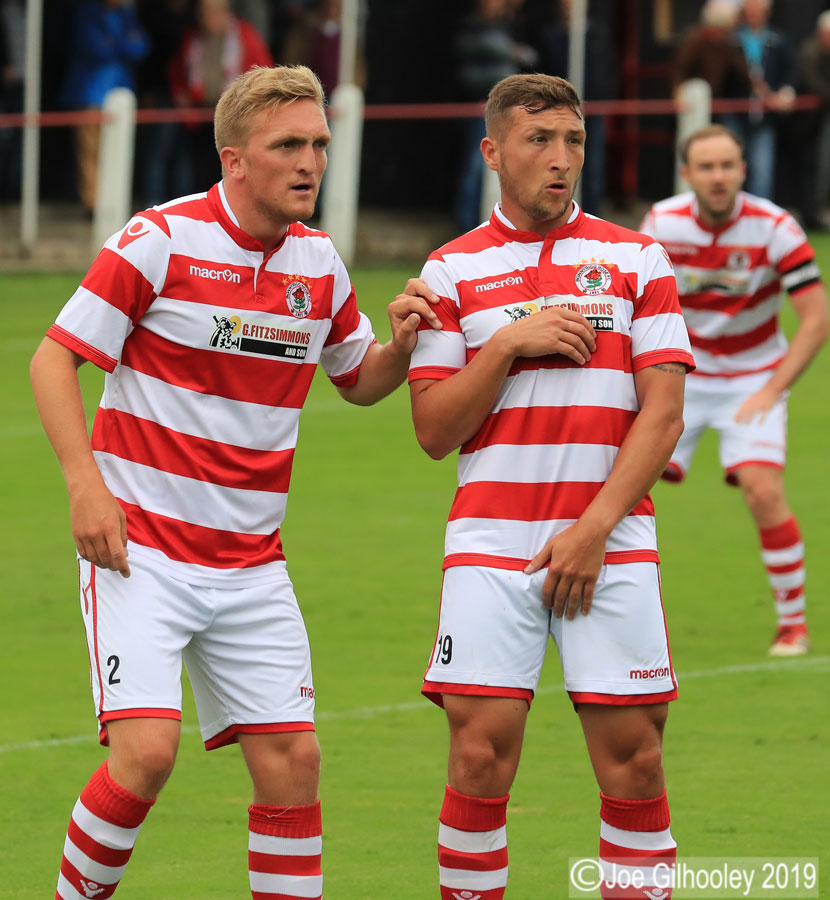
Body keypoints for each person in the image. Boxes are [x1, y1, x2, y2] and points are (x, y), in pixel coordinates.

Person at [30, 64, 441, 900]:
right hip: (138, 554)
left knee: (294, 763)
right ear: (234, 160)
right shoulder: (160, 241)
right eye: (287, 145)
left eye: (319, 145)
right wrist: (84, 483)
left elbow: (356, 376)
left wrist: (399, 346)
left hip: (252, 566)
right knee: (144, 755)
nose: (310, 163)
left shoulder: (320, 264)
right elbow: (54, 359)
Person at [408, 73, 694, 900]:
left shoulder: (637, 256)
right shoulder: (449, 268)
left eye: (572, 140)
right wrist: (505, 346)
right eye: (539, 141)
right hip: (492, 545)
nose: (560, 159)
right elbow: (434, 432)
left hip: (610, 541)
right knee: (478, 757)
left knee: (635, 759)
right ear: (494, 152)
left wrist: (594, 528)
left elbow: (664, 414)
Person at [640, 124, 829, 657]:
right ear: (687, 174)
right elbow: (635, 305)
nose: (717, 178)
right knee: (621, 483)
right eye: (706, 167)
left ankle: (793, 625)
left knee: (763, 490)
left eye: (727, 166)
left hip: (754, 377)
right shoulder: (662, 222)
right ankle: (598, 610)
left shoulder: (775, 228)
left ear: (743, 170)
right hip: (683, 375)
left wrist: (772, 391)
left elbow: (816, 320)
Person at [169, 0, 273, 190]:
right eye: (203, 13)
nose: (205, 18)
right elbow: (178, 70)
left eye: (210, 13)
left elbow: (262, 74)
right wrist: (181, 93)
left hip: (233, 113)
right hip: (199, 113)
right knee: (198, 167)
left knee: (228, 166)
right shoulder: (194, 38)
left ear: (224, 13)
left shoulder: (245, 37)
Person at [59, 0, 150, 214]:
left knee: (119, 149)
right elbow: (94, 46)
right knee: (90, 152)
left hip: (121, 94)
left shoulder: (127, 15)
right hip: (89, 94)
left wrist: (113, 42)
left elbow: (142, 47)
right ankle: (92, 204)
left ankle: (114, 201)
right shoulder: (87, 12)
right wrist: (123, 43)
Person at [722, 0, 796, 200]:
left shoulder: (777, 40)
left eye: (759, 11)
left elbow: (789, 73)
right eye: (750, 11)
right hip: (734, 114)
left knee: (762, 170)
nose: (754, 15)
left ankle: (759, 219)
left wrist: (784, 93)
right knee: (729, 166)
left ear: (766, 13)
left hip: (764, 115)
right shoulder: (731, 40)